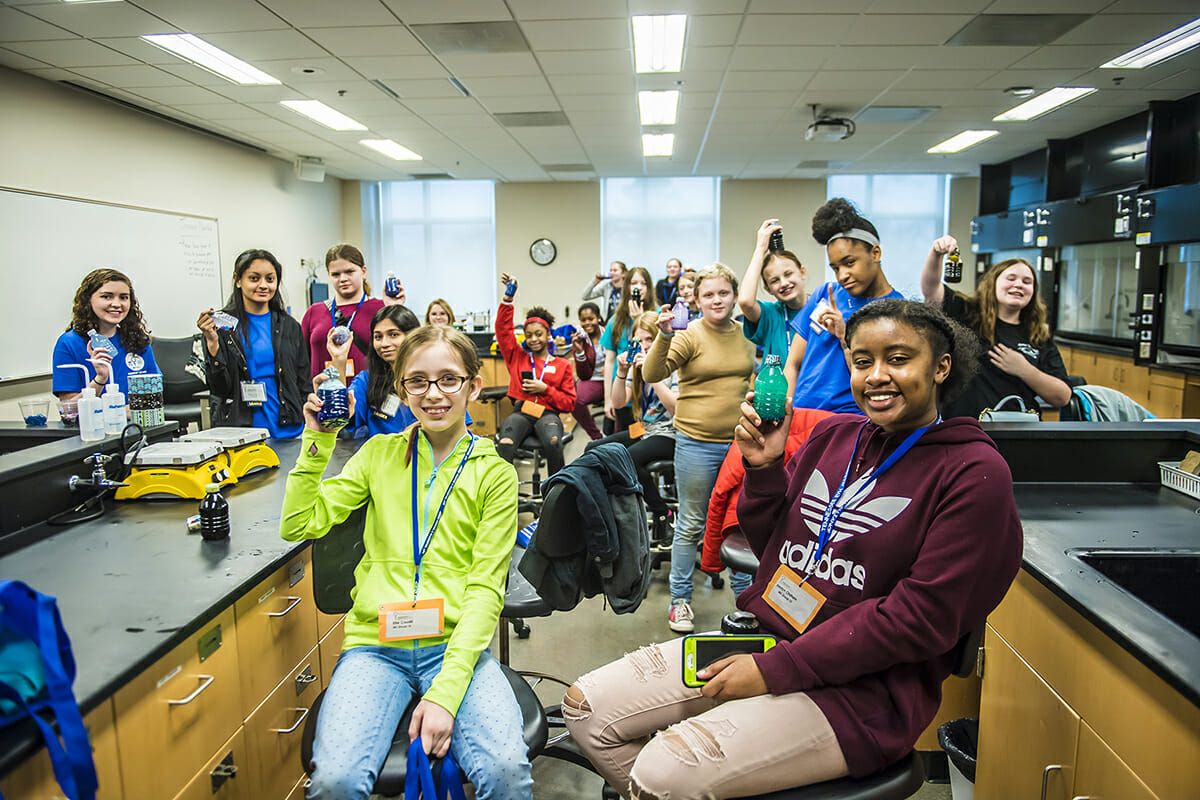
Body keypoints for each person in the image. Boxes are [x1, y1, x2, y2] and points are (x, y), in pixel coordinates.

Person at [563, 299, 1023, 800]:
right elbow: (778, 550)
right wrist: (764, 469)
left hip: (864, 693)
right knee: (587, 711)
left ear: (941, 367)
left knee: (662, 773)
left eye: (898, 359)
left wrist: (774, 671)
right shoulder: (836, 437)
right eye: (862, 361)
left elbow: (916, 619)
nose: (876, 375)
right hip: (773, 638)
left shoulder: (973, 472)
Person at [281, 324, 532, 800]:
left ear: (473, 386)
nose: (433, 394)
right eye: (417, 381)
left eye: (448, 379)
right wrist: (316, 442)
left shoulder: (494, 474)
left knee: (505, 771)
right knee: (335, 781)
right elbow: (299, 524)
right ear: (401, 388)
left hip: (455, 645)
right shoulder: (378, 455)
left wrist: (445, 694)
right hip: (376, 647)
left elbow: (485, 590)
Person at [642, 263, 757, 632]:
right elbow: (651, 374)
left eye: (723, 293)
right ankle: (679, 601)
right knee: (692, 523)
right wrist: (663, 336)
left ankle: (745, 601)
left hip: (740, 444)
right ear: (697, 299)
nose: (716, 300)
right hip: (697, 443)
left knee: (740, 522)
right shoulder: (689, 333)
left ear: (735, 296)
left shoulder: (747, 334)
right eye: (708, 294)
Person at [921, 240, 1071, 418]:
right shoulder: (966, 313)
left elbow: (1062, 397)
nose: (1019, 285)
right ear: (993, 283)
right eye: (1011, 278)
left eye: (1027, 282)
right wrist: (936, 254)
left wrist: (1025, 370)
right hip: (966, 425)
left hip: (1020, 428)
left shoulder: (1038, 336)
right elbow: (931, 290)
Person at [784, 198, 903, 412]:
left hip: (847, 418)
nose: (842, 275)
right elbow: (793, 364)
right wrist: (784, 412)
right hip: (801, 413)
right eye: (836, 268)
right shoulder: (825, 294)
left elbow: (875, 380)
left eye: (849, 263)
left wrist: (845, 336)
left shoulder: (896, 310)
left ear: (875, 253)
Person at [585, 311, 679, 543]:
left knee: (624, 459)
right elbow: (619, 403)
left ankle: (662, 511)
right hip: (645, 429)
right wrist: (622, 373)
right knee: (593, 449)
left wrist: (652, 374)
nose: (645, 346)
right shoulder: (637, 364)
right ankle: (609, 512)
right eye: (640, 340)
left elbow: (676, 408)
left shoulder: (673, 364)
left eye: (650, 339)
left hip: (671, 433)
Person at [196, 249, 308, 437]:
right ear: (238, 280)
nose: (263, 285)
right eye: (254, 279)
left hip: (288, 427)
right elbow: (219, 389)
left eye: (270, 279)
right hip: (242, 431)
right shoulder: (221, 325)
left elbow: (303, 381)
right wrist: (213, 343)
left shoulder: (289, 326)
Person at [494, 273, 576, 476]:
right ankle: (503, 490)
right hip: (521, 412)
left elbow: (569, 403)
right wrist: (508, 299)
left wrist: (545, 389)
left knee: (554, 442)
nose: (533, 339)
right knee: (505, 443)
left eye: (538, 334)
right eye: (529, 335)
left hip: (548, 414)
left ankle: (557, 489)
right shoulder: (517, 356)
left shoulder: (562, 365)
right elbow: (503, 330)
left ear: (548, 335)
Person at [53, 268, 159, 401]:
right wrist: (100, 379)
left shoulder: (137, 340)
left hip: (133, 415)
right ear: (88, 300)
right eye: (106, 296)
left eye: (123, 297)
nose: (116, 304)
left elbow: (153, 396)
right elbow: (70, 408)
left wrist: (128, 410)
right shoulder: (69, 343)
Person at [300, 244, 384, 378]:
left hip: (369, 389)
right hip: (323, 389)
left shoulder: (381, 308)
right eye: (335, 274)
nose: (343, 279)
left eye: (349, 272)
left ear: (363, 272)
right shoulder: (313, 312)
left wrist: (394, 307)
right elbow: (301, 362)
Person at [345, 304, 422, 439]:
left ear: (413, 336)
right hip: (383, 451)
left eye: (393, 335)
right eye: (378, 337)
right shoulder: (367, 380)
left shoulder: (433, 377)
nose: (384, 343)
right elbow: (346, 414)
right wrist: (339, 359)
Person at [738, 219, 809, 361]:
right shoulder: (772, 315)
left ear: (802, 272)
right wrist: (760, 249)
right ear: (768, 289)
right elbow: (746, 301)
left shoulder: (820, 308)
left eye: (788, 274)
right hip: (778, 377)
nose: (784, 283)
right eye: (774, 281)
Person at [599, 267, 653, 432]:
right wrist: (608, 399)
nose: (639, 287)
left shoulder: (658, 316)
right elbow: (609, 362)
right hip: (624, 389)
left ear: (649, 287)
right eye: (634, 283)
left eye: (643, 283)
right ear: (627, 287)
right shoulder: (616, 320)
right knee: (627, 437)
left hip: (652, 394)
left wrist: (639, 319)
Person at [569, 302, 605, 441]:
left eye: (591, 319)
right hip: (594, 380)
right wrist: (579, 351)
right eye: (583, 320)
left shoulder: (609, 333)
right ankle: (597, 437)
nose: (587, 323)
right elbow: (583, 375)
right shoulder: (581, 340)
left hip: (614, 379)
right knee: (575, 400)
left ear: (598, 318)